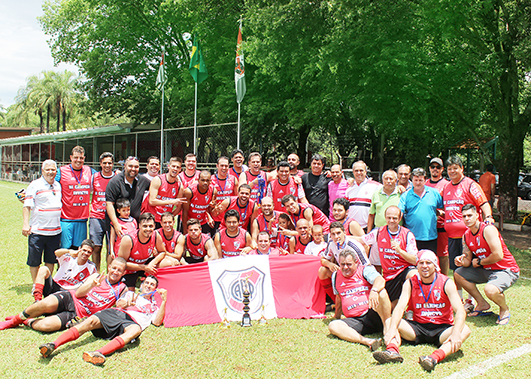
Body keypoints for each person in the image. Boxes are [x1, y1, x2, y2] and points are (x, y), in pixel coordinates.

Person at [373, 250, 471, 372]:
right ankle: (392, 351)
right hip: (417, 328)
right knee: (389, 322)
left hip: (441, 328)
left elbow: (460, 311)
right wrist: (392, 328)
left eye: (428, 263)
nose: (424, 266)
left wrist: (456, 332)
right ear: (417, 266)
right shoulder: (410, 283)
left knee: (465, 330)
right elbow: (400, 307)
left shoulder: (446, 282)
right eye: (421, 263)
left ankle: (433, 358)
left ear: (435, 266)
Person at [39, 275, 167, 366]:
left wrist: (164, 301)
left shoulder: (154, 307)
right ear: (142, 285)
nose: (149, 286)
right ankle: (53, 345)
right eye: (147, 283)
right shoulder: (131, 294)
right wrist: (128, 303)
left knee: (135, 330)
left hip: (131, 323)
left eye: (152, 284)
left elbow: (156, 322)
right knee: (88, 322)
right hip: (116, 313)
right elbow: (119, 304)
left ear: (156, 288)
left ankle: (98, 354)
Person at [0, 258, 127, 333]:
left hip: (78, 314)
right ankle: (14, 321)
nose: (115, 272)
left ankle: (27, 320)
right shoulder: (97, 276)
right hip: (71, 299)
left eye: (119, 270)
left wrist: (124, 303)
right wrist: (92, 285)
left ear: (124, 272)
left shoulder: (122, 289)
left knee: (46, 326)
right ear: (109, 267)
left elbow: (123, 305)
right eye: (114, 268)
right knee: (44, 304)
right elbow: (78, 293)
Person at [454, 204, 519, 325]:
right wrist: (460, 260)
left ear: (478, 215)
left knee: (490, 290)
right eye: (464, 216)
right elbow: (467, 261)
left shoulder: (488, 230)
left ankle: (504, 309)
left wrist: (479, 262)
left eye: (470, 215)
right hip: (487, 269)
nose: (467, 218)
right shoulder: (466, 235)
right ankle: (482, 303)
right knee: (458, 274)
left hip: (506, 269)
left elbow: (498, 255)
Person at [328, 249, 391, 351]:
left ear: (356, 263)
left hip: (373, 313)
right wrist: (337, 316)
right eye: (342, 264)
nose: (345, 267)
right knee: (333, 325)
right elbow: (339, 298)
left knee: (382, 293)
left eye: (349, 264)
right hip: (356, 320)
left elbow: (380, 280)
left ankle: (387, 329)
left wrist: (374, 291)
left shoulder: (364, 270)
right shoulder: (335, 276)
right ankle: (367, 341)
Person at [442, 155, 492, 272]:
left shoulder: (470, 185)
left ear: (462, 168)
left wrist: (488, 217)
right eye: (449, 169)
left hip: (469, 236)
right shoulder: (446, 187)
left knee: (471, 269)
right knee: (456, 270)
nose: (452, 171)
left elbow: (484, 203)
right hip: (452, 237)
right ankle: (457, 291)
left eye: (455, 168)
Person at [360, 206, 418, 305]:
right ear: (385, 217)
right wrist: (344, 237)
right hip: (389, 275)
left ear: (400, 218)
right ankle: (401, 304)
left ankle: (412, 308)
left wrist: (400, 251)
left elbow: (415, 260)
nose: (391, 220)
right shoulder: (378, 232)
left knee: (415, 276)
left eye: (395, 218)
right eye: (389, 218)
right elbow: (362, 240)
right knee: (388, 308)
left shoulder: (407, 234)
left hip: (404, 270)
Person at [22, 159, 62, 283]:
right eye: (48, 169)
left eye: (53, 170)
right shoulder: (35, 184)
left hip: (55, 231)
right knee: (35, 260)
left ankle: (47, 283)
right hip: (38, 231)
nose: (50, 172)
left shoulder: (57, 185)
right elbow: (27, 205)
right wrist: (25, 224)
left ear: (56, 171)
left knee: (51, 260)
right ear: (42, 171)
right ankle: (36, 284)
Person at [319, 222, 370, 302]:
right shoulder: (331, 243)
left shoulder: (354, 246)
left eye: (338, 233)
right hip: (341, 272)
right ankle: (335, 301)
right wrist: (329, 264)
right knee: (322, 271)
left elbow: (366, 266)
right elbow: (323, 260)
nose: (336, 237)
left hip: (355, 275)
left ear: (344, 233)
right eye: (333, 234)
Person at [32, 240, 97, 302]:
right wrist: (68, 251)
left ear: (91, 253)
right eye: (84, 250)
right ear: (79, 248)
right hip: (55, 286)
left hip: (69, 293)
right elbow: (56, 253)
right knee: (43, 269)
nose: (85, 253)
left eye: (89, 252)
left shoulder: (91, 267)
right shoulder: (69, 258)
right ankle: (37, 300)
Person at [56, 145, 95, 249]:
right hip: (66, 218)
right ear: (71, 157)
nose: (78, 160)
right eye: (76, 157)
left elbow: (103, 177)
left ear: (84, 158)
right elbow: (47, 183)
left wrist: (116, 174)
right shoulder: (61, 171)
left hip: (82, 219)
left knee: (78, 249)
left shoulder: (89, 171)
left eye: (81, 158)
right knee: (65, 249)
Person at [399, 168, 443, 255]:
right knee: (413, 263)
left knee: (430, 262)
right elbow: (399, 212)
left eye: (420, 180)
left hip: (430, 236)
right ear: (412, 180)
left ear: (425, 180)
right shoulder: (406, 195)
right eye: (415, 180)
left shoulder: (434, 193)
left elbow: (442, 207)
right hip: (412, 236)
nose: (418, 183)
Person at [117, 213, 167, 290]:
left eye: (150, 226)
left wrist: (151, 264)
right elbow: (121, 263)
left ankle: (156, 282)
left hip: (145, 265)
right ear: (139, 226)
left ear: (154, 226)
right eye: (145, 226)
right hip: (130, 270)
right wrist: (144, 267)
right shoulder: (128, 239)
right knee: (129, 296)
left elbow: (163, 252)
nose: (148, 229)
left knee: (171, 262)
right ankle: (137, 282)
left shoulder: (156, 235)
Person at [106, 156, 151, 235]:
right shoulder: (115, 182)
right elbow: (109, 204)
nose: (133, 169)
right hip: (120, 226)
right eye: (130, 166)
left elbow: (157, 186)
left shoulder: (143, 181)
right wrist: (116, 225)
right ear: (125, 166)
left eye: (136, 167)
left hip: (135, 225)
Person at [89, 152, 116, 271]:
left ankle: (109, 274)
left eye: (109, 163)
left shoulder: (117, 177)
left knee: (111, 248)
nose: (107, 165)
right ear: (100, 164)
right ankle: (96, 273)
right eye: (104, 163)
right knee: (96, 247)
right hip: (96, 216)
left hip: (111, 218)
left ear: (113, 164)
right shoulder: (94, 177)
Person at [142, 157, 185, 229]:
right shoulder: (158, 180)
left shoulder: (180, 186)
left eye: (177, 167)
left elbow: (179, 207)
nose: (175, 169)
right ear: (169, 166)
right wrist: (171, 201)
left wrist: (169, 217)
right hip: (152, 219)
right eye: (173, 166)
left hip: (165, 222)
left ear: (180, 169)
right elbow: (152, 201)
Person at [425, 157, 450, 275]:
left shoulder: (446, 185)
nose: (435, 169)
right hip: (427, 226)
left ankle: (444, 280)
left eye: (438, 167)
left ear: (442, 169)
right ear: (429, 168)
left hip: (441, 225)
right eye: (432, 167)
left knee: (443, 254)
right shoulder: (424, 183)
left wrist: (440, 213)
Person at [345, 160, 382, 231]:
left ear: (365, 171)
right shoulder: (349, 188)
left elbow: (388, 188)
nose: (359, 173)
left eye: (361, 170)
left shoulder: (376, 186)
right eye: (356, 170)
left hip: (368, 227)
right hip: (351, 227)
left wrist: (399, 187)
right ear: (353, 172)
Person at [182, 170, 217, 235]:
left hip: (203, 221)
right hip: (190, 221)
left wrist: (211, 212)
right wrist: (185, 230)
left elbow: (209, 209)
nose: (205, 183)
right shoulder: (189, 192)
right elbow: (185, 212)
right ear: (198, 180)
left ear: (210, 181)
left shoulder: (213, 191)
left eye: (207, 180)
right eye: (203, 180)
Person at [211, 156, 239, 230]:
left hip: (230, 218)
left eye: (226, 166)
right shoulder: (211, 180)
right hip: (216, 218)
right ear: (217, 166)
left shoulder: (233, 179)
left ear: (228, 166)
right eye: (222, 165)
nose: (224, 168)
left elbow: (237, 198)